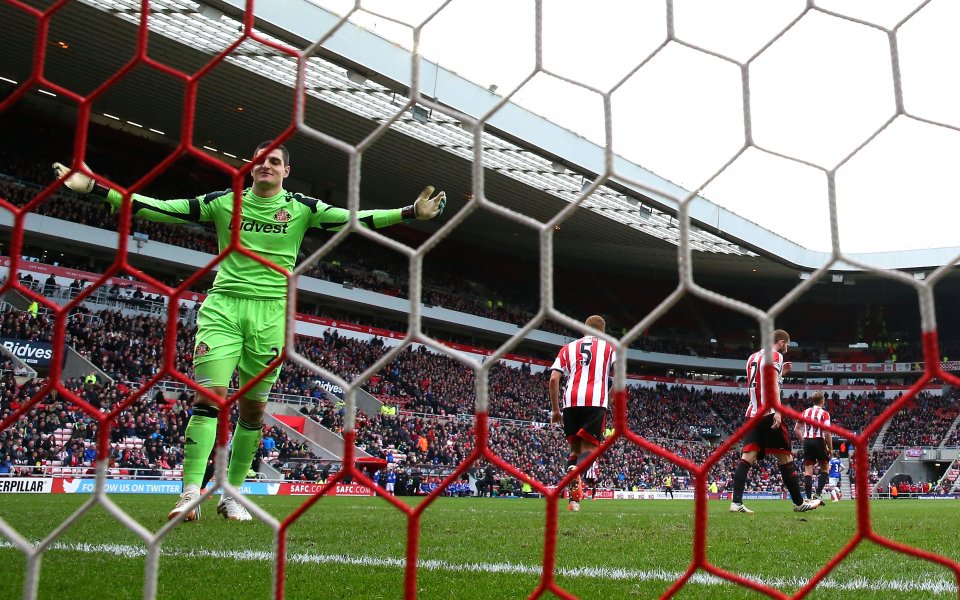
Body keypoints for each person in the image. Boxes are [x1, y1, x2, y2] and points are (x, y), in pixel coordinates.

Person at [54, 143, 446, 522]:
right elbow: (157, 209)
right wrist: (97, 189)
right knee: (209, 400)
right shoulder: (224, 202)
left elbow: (356, 219)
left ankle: (232, 496)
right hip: (223, 308)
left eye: (274, 161)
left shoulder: (302, 208)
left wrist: (411, 212)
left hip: (272, 316)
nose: (266, 166)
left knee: (253, 411)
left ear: (286, 171)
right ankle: (190, 492)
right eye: (260, 161)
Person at [730, 329, 821, 514]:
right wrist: (778, 411)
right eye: (786, 344)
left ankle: (736, 502)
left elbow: (762, 381)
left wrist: (781, 375)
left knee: (747, 457)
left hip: (752, 413)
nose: (786, 348)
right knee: (785, 457)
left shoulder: (752, 358)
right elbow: (771, 386)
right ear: (780, 342)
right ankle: (798, 502)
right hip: (769, 412)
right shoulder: (776, 356)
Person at [549, 315, 616, 513]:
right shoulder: (610, 348)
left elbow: (554, 379)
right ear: (602, 332)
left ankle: (574, 501)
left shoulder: (567, 348)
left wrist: (555, 410)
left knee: (574, 451)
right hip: (595, 402)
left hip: (570, 403)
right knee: (590, 450)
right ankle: (575, 471)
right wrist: (608, 399)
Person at [794, 391, 832, 502]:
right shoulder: (824, 414)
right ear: (823, 401)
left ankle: (808, 498)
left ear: (812, 401)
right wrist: (830, 449)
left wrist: (803, 441)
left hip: (807, 442)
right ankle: (818, 494)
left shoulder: (805, 412)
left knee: (808, 471)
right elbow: (827, 433)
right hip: (819, 441)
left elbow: (796, 429)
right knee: (825, 468)